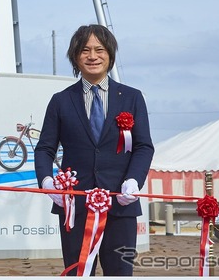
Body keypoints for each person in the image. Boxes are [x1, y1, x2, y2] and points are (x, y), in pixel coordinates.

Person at [34, 24, 154, 276]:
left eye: (100, 50)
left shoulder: (132, 98)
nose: (92, 56)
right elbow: (44, 148)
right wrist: (47, 181)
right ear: (75, 57)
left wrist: (133, 180)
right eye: (85, 50)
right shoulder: (61, 100)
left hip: (120, 204)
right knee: (78, 272)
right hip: (75, 205)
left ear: (110, 55)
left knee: (120, 272)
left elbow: (143, 146)